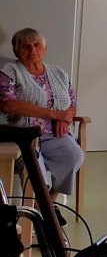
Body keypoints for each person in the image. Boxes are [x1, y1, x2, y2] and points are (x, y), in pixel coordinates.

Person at [0, 28, 85, 225]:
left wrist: (66, 118)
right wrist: (54, 114)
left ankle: (44, 207)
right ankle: (46, 219)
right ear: (16, 51)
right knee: (36, 173)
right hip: (24, 136)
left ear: (44, 48)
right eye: (25, 46)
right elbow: (7, 103)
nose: (32, 50)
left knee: (73, 155)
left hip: (55, 135)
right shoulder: (8, 72)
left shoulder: (58, 73)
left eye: (37, 45)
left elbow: (72, 102)